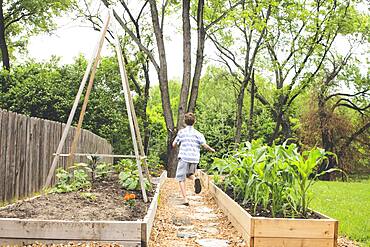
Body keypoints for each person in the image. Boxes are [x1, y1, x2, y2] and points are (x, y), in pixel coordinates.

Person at [172, 112, 215, 206]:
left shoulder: (181, 132)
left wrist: (178, 144)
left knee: (181, 179)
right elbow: (204, 145)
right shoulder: (198, 134)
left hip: (184, 157)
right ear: (194, 122)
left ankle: (185, 199)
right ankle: (195, 178)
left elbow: (173, 144)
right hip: (195, 158)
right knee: (189, 174)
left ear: (184, 122)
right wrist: (211, 149)